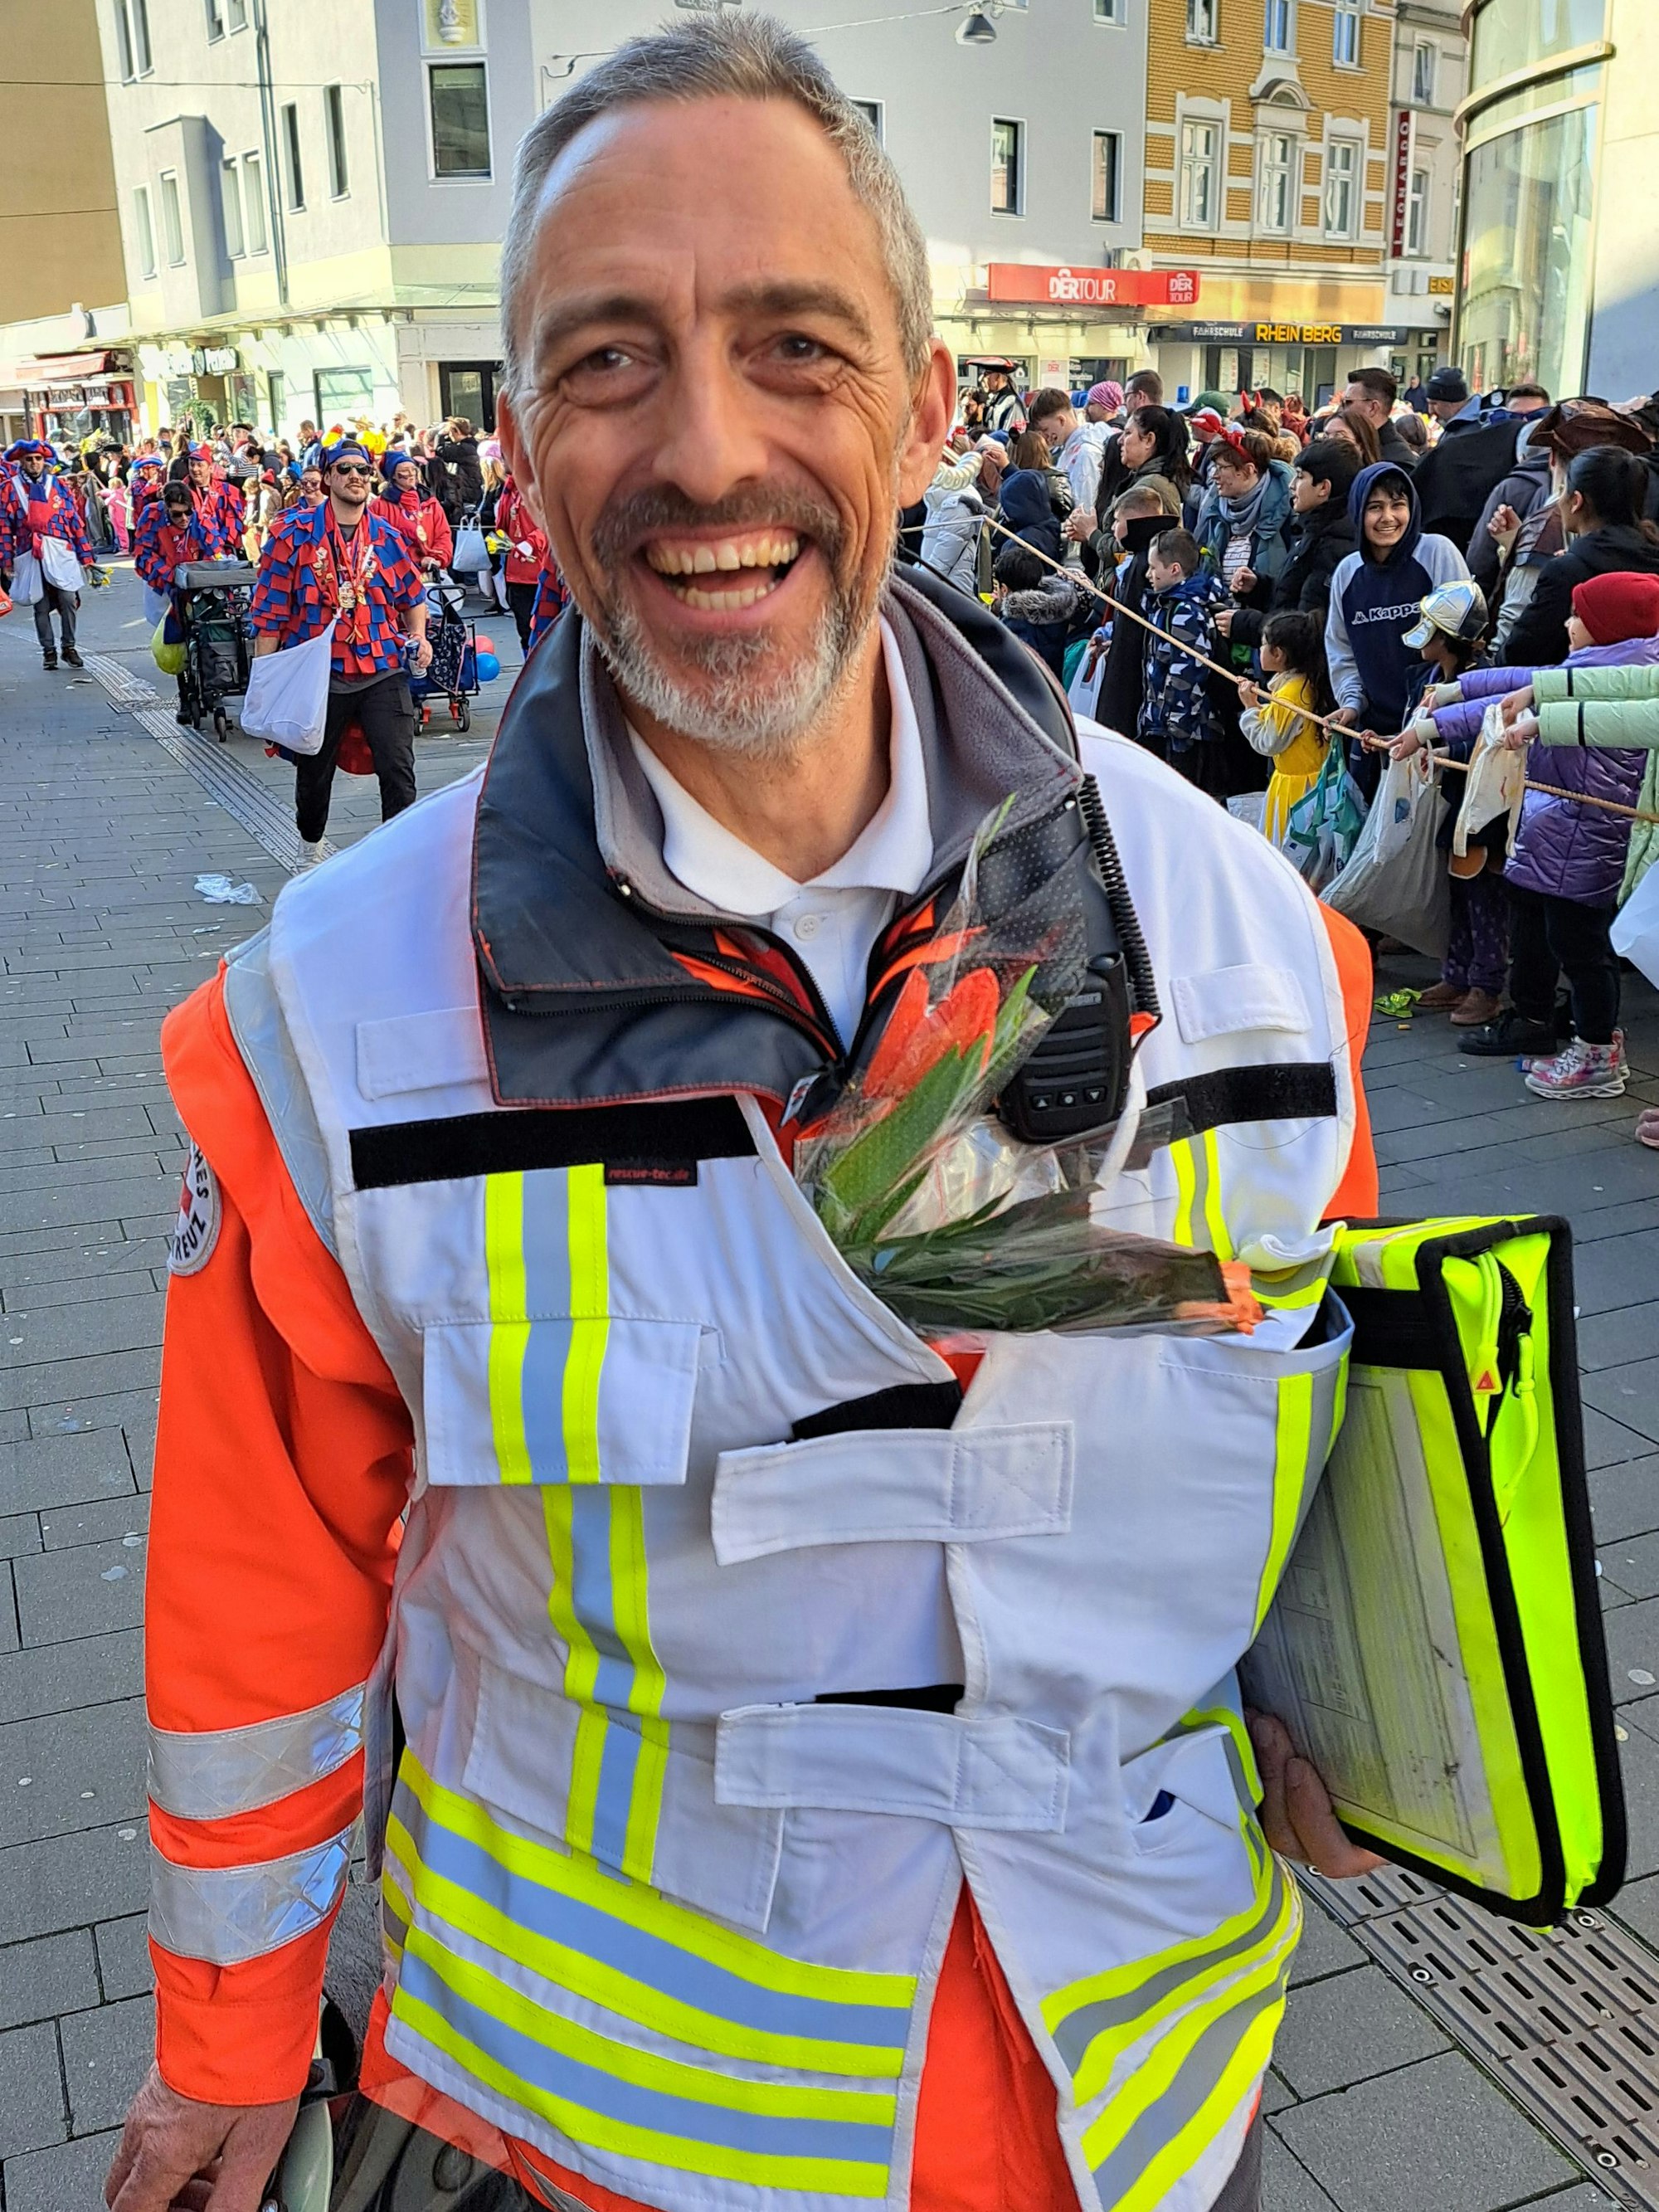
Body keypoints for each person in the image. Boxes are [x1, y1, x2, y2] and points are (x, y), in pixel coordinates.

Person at [109, 22, 1382, 2212]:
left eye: (796, 346)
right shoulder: (324, 1028)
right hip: (605, 2132)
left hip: (1147, 2097)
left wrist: (1354, 1711)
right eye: (609, 361)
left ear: (928, 407)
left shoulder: (1254, 935)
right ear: (520, 452)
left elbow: (1326, 1391)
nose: (707, 450)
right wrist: (229, 2031)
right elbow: (261, 1586)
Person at [1461, 572, 1659, 1092]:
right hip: (1578, 838)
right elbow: (1621, 690)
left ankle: (1597, 1056)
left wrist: (1544, 721)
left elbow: (1637, 716)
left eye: (1579, 615)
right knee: (1577, 943)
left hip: (1589, 839)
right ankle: (1596, 1048)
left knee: (1584, 948)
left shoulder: (1619, 662)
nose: (1567, 624)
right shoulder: (1626, 664)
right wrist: (1535, 699)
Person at [246, 437, 431, 861]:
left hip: (382, 666)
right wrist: (265, 684)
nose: (354, 476)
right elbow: (270, 614)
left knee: (398, 767)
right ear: (327, 477)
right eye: (344, 469)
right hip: (319, 674)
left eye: (362, 470)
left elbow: (413, 596)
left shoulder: (387, 535)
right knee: (314, 774)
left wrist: (419, 636)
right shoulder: (292, 536)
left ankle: (399, 858)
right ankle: (310, 844)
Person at [1389, 580, 1507, 1027]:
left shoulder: (1483, 678)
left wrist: (1442, 751)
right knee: (1457, 893)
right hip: (1447, 801)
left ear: (1449, 637)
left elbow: (1486, 740)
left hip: (1484, 808)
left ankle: (1486, 986)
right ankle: (1456, 975)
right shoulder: (1429, 677)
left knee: (1484, 898)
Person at [1326, 461, 1471, 793]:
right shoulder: (1347, 573)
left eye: (1398, 505)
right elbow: (1341, 652)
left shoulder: (1436, 552)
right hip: (1373, 738)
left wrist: (1427, 723)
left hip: (1434, 735)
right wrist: (1351, 705)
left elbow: (1463, 643)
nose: (1388, 517)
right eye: (1374, 507)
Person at [1504, 443, 1659, 667]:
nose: (1559, 500)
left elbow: (1518, 655)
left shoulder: (1566, 572)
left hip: (1572, 686)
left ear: (1576, 501)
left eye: (1563, 491)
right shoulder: (1650, 555)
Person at [1218, 436, 1359, 655]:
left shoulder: (1335, 544)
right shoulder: (1315, 530)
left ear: (1323, 488)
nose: (1292, 485)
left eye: (1300, 477)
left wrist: (1247, 625)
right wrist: (1259, 587)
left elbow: (1309, 628)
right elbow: (1295, 594)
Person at [1091, 480, 1183, 742]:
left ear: (1134, 521)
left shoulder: (1143, 564)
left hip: (1134, 676)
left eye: (1117, 520)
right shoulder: (1143, 558)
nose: (1112, 527)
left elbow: (1135, 627)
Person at [1140, 524, 1230, 789]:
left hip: (1188, 731)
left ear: (1174, 569)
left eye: (1153, 568)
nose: (1148, 575)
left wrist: (1178, 728)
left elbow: (1188, 673)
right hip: (1166, 724)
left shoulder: (1185, 612)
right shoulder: (1165, 605)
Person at [1238, 608, 1335, 847]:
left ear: (1278, 653)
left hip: (1297, 789)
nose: (1260, 649)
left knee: (1290, 850)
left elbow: (1268, 743)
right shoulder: (1305, 683)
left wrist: (1250, 709)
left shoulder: (1290, 694)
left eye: (1263, 644)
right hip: (1313, 781)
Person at [0, 437, 97, 668]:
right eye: (29, 459)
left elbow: (74, 522)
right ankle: (49, 651)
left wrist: (86, 557)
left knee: (68, 599)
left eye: (38, 459)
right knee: (40, 603)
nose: (34, 463)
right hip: (28, 552)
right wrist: (6, 560)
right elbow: (4, 528)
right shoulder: (9, 489)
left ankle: (69, 647)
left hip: (60, 551)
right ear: (21, 462)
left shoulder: (59, 486)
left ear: (45, 461)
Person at [1411, 366, 1524, 554]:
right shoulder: (1456, 427)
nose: (1431, 410)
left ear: (1451, 401)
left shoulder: (1481, 430)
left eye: (1434, 403)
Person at [135, 478, 216, 723]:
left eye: (187, 513)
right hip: (164, 587)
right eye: (177, 514)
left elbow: (213, 549)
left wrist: (204, 572)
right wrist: (170, 576)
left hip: (196, 583)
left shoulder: (200, 517)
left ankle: (209, 686)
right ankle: (184, 693)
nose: (184, 519)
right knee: (177, 641)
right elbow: (143, 555)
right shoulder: (151, 516)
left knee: (205, 632)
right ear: (166, 509)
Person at [1192, 425, 1293, 609]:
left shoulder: (1289, 511)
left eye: (1222, 468)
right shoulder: (1215, 512)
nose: (1215, 476)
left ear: (1248, 470)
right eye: (1215, 468)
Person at [992, 535, 1082, 678]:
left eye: (997, 587)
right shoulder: (1055, 610)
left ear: (1004, 589)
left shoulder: (1016, 624)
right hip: (1052, 685)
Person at [1026, 387, 1107, 519]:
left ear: (1061, 420)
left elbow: (1084, 507)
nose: (1045, 436)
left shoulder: (1086, 453)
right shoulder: (1068, 450)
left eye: (1045, 429)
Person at [495, 469, 552, 648]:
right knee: (525, 631)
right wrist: (500, 541)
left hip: (541, 572)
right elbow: (502, 525)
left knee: (545, 632)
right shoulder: (510, 488)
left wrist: (532, 542)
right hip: (515, 573)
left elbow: (550, 522)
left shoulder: (541, 485)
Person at [370, 455, 455, 572]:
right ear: (393, 476)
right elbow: (379, 544)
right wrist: (415, 561)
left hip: (431, 571)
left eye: (413, 469)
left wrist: (437, 559)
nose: (411, 474)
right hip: (397, 575)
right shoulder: (378, 506)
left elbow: (443, 534)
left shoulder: (430, 502)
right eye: (405, 470)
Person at [1340, 369, 1418, 472]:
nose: (1342, 409)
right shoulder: (1363, 445)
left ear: (1373, 408)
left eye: (1348, 402)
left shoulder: (1396, 463)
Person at [980, 361, 1024, 434]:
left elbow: (1011, 436)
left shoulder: (1012, 402)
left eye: (986, 374)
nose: (981, 379)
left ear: (998, 377)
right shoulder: (994, 401)